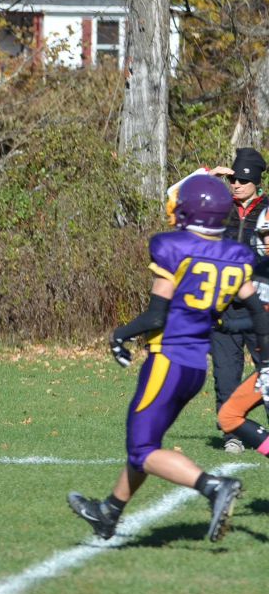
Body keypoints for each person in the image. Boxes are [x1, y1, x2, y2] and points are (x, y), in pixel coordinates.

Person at [68, 173, 269, 542]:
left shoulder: (175, 249)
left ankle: (213, 487)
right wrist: (266, 360)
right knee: (146, 444)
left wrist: (120, 334)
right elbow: (257, 312)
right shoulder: (235, 257)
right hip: (194, 367)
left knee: (142, 449)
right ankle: (109, 512)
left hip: (167, 360)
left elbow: (156, 316)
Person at [208, 148, 268, 452]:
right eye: (233, 179)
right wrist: (207, 177)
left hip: (260, 306)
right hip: (222, 306)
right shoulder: (218, 206)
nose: (237, 185)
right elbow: (175, 198)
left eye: (244, 180)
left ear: (257, 182)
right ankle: (232, 434)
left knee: (266, 372)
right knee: (225, 374)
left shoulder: (267, 211)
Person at [218, 212, 269, 452]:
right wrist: (224, 325)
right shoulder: (259, 271)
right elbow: (259, 320)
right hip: (267, 367)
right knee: (228, 416)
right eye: (265, 234)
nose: (268, 241)